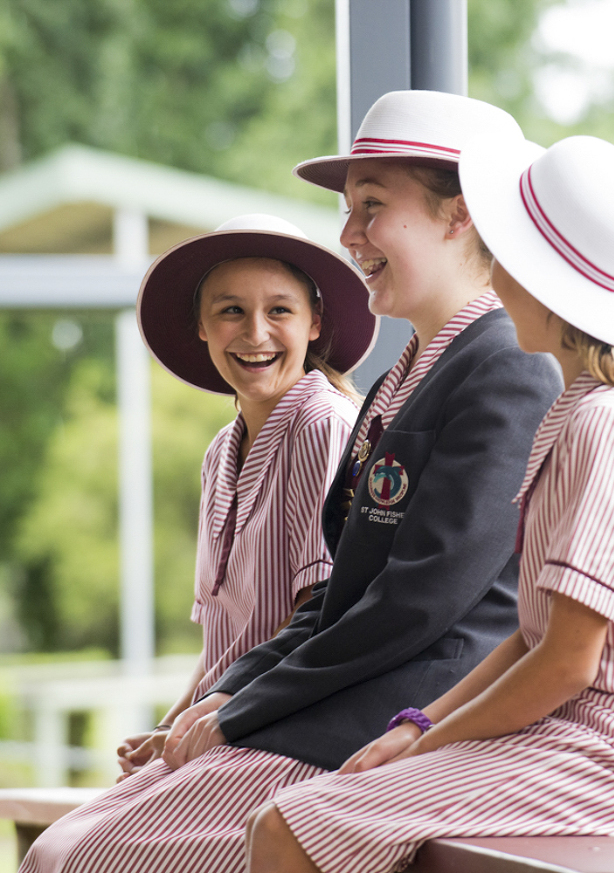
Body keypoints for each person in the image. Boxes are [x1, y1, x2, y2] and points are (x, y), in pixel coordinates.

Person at [20, 91, 560, 873]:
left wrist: (245, 707)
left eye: (371, 207)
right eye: (350, 211)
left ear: (461, 213)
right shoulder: (396, 383)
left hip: (399, 718)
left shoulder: (507, 365)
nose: (349, 235)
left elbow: (420, 603)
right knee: (62, 847)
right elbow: (345, 594)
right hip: (334, 704)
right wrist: (230, 691)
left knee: (89, 856)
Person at [245, 135, 614, 873]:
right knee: (308, 811)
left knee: (293, 826)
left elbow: (566, 663)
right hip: (584, 735)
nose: (493, 279)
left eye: (506, 255)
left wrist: (427, 746)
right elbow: (535, 636)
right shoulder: (581, 408)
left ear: (544, 280)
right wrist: (418, 724)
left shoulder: (608, 422)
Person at [119, 212, 376, 778]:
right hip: (222, 723)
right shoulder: (219, 452)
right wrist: (168, 728)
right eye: (231, 310)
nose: (255, 333)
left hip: (285, 728)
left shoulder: (322, 426)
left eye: (279, 310)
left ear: (313, 324)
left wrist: (201, 725)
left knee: (77, 852)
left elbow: (321, 616)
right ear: (202, 328)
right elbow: (223, 639)